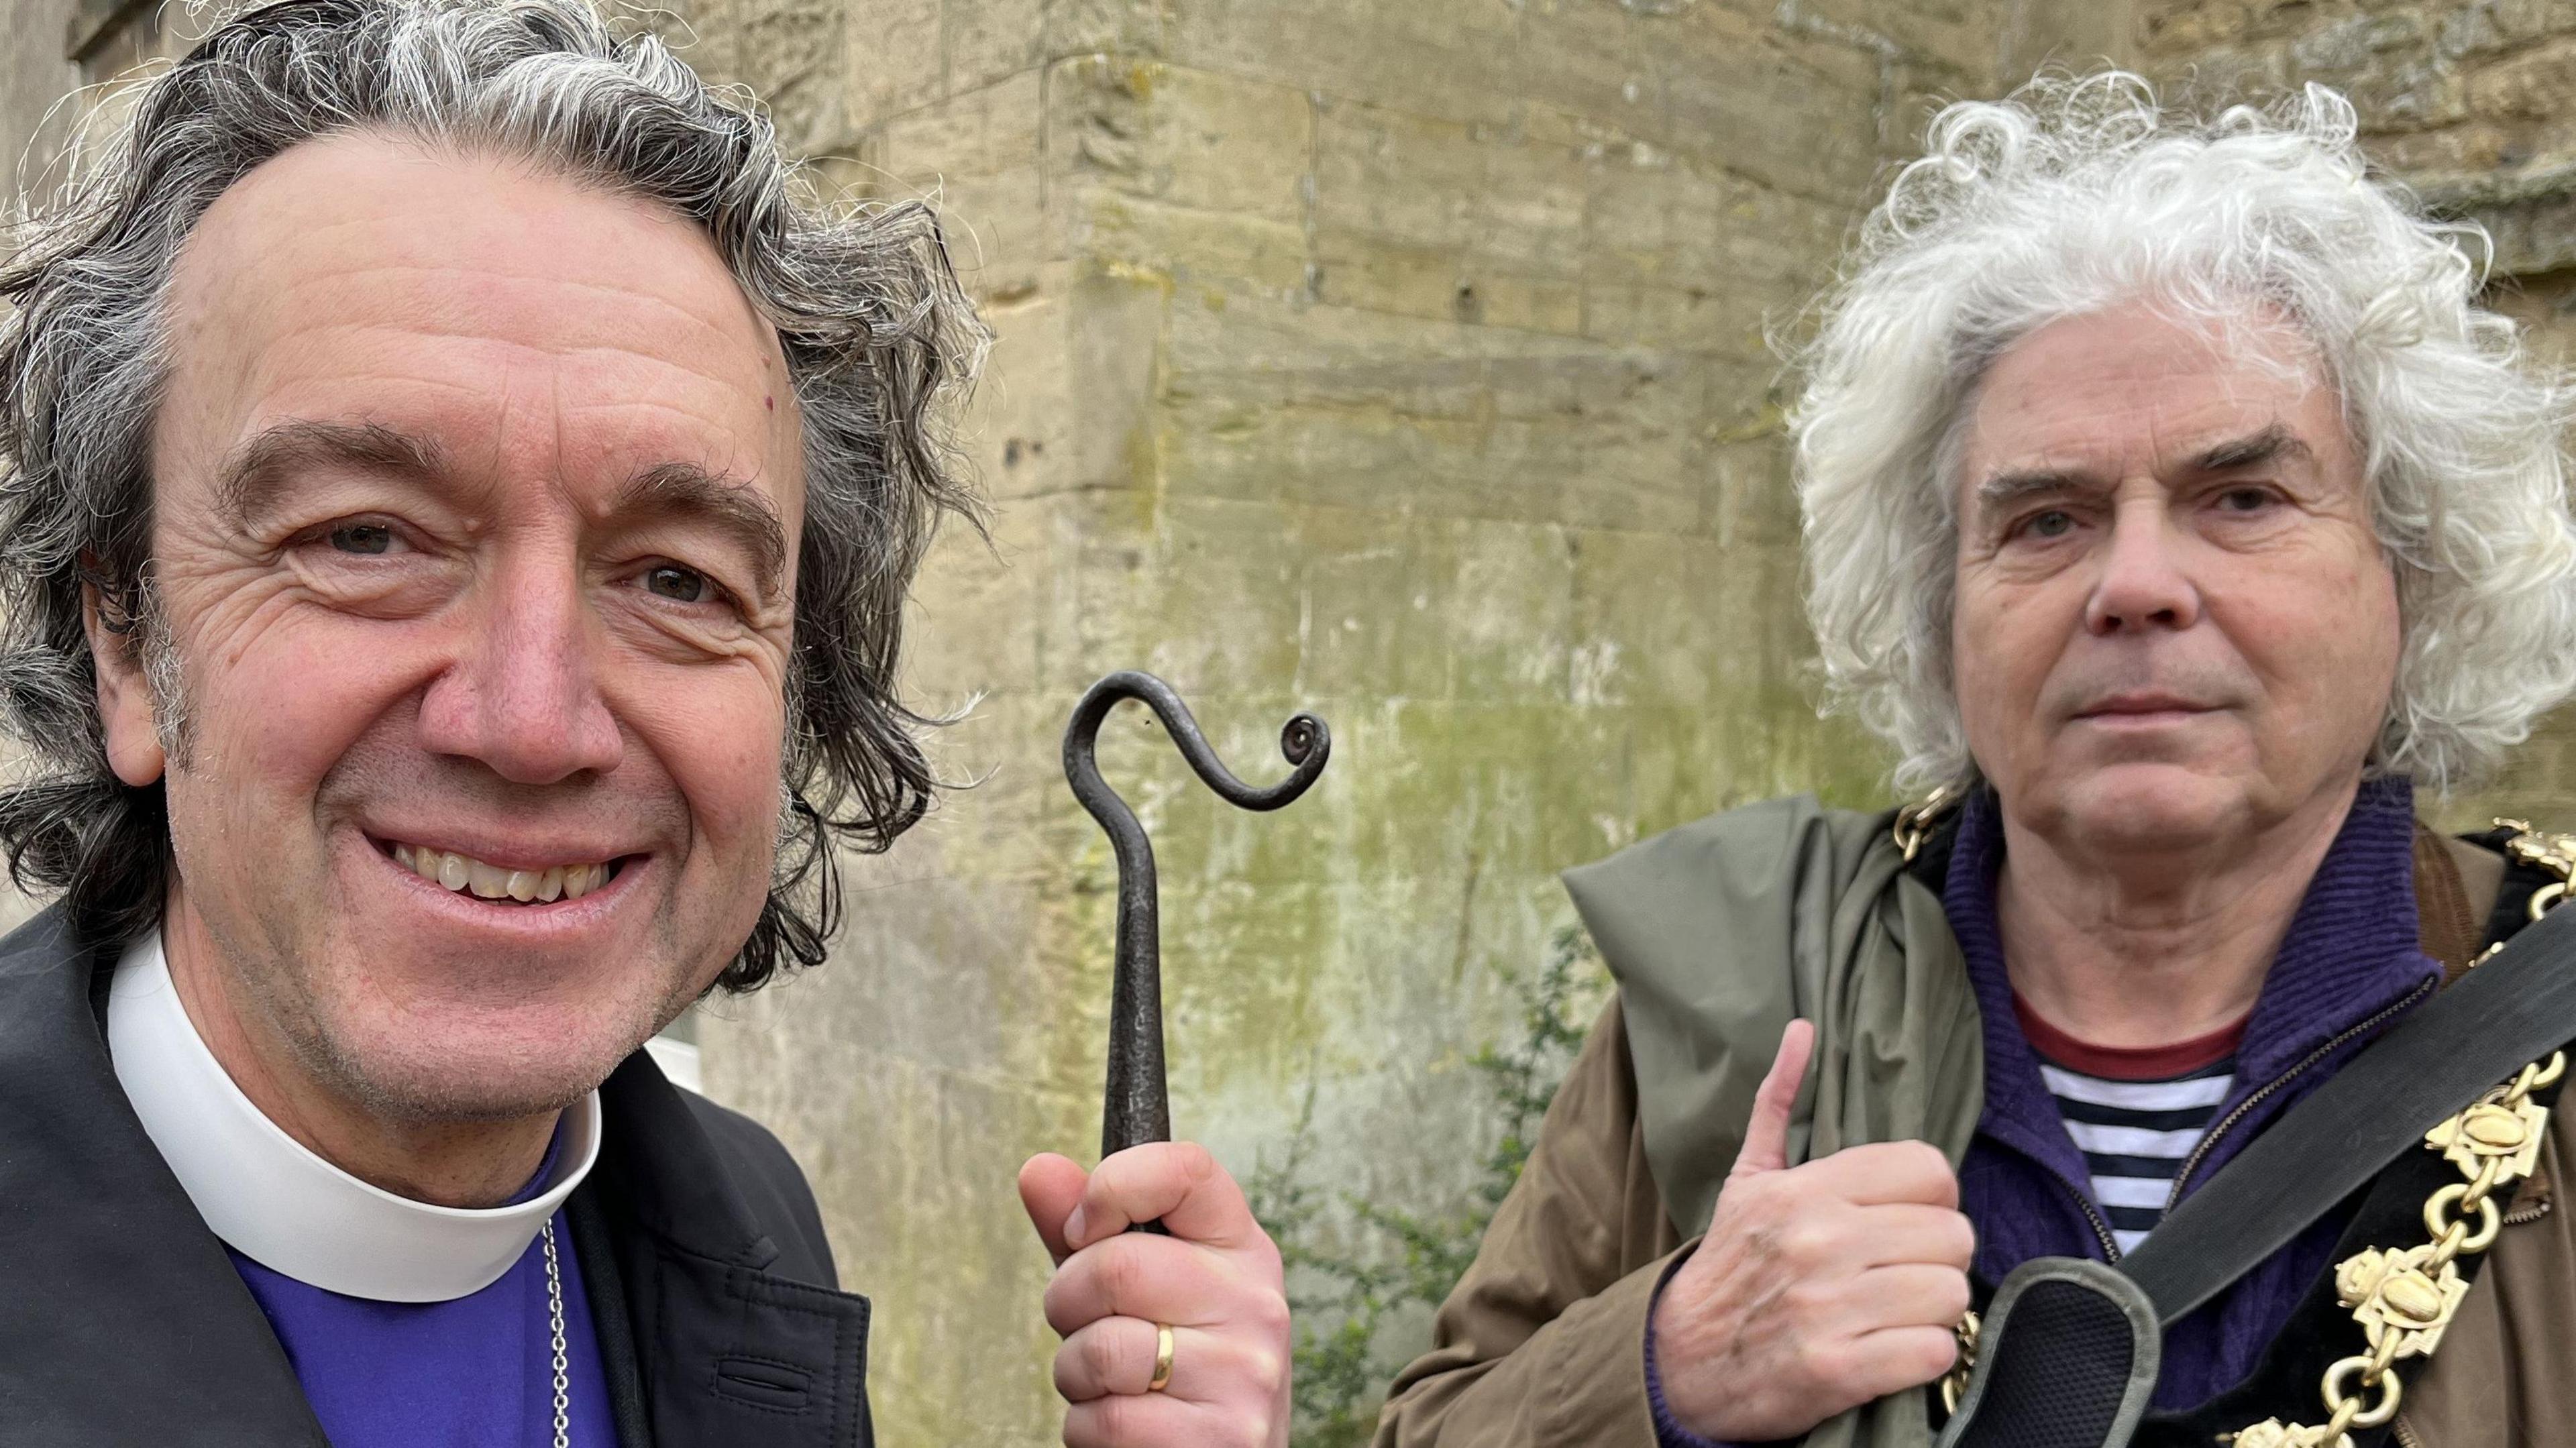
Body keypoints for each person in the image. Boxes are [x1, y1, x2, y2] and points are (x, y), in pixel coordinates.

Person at [0, 2, 1288, 1445]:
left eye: (677, 577)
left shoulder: (753, 1226)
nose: (534, 721)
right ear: (125, 638)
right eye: (366, 538)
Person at [1376, 74, 2576, 1448]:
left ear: (2411, 573)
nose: (2134, 585)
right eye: (2047, 519)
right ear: (1940, 610)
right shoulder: (1745, 994)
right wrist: (1666, 1369)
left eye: (2240, 498)